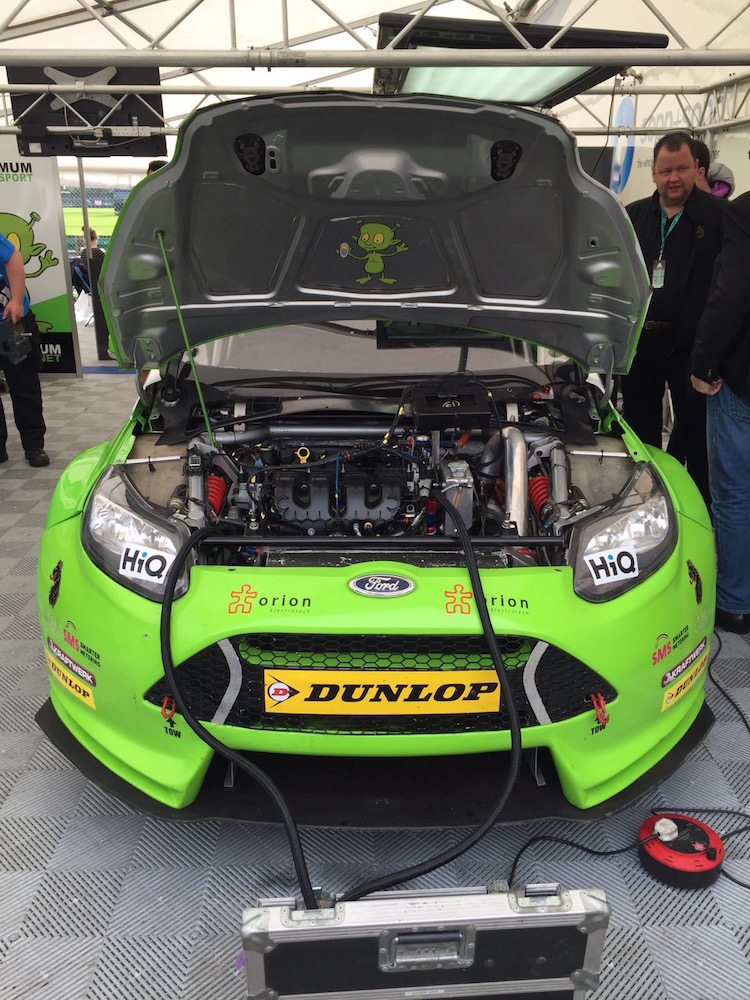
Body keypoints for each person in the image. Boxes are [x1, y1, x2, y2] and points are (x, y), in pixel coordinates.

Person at [622, 131, 724, 506]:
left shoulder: (717, 217)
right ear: (654, 173)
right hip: (642, 347)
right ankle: (646, 506)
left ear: (696, 168)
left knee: (699, 440)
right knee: (640, 436)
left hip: (692, 350)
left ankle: (699, 512)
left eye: (681, 169)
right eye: (666, 171)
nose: (674, 178)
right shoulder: (634, 216)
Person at [690, 191, 750, 634]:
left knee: (734, 495)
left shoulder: (743, 211)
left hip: (742, 378)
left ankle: (735, 604)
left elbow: (731, 294)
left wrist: (703, 364)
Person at [0, 233, 48, 467]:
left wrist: (17, 300)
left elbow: (12, 258)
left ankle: (34, 446)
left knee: (24, 385)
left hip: (11, 321)